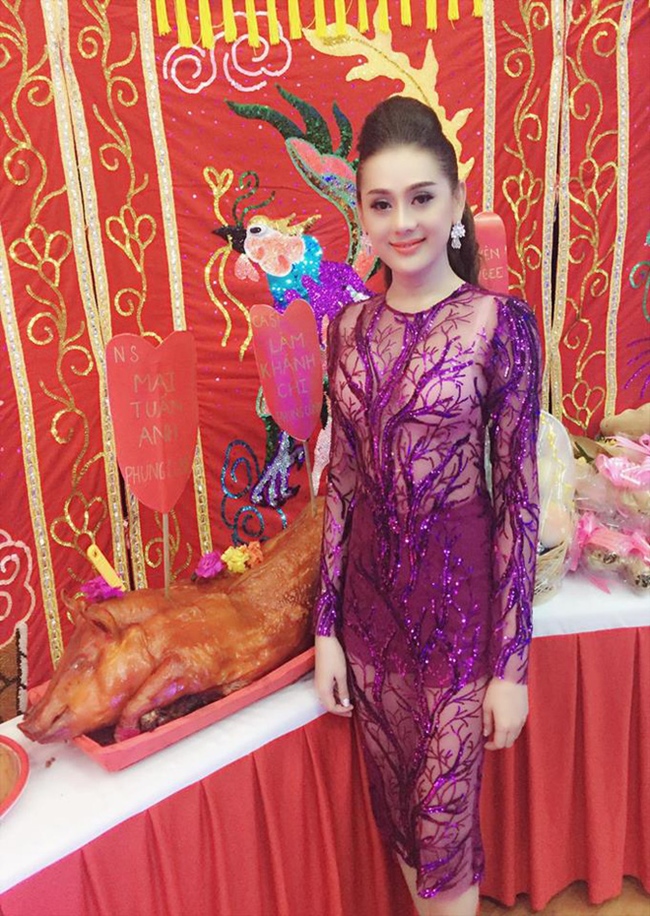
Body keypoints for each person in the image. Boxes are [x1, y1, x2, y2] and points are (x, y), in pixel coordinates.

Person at [314, 97, 541, 916]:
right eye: (381, 203)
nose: (402, 222)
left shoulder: (498, 324)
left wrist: (511, 668)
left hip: (457, 618)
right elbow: (342, 485)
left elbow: (519, 499)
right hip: (371, 620)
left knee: (444, 831)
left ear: (456, 201)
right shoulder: (344, 330)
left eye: (421, 198)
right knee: (405, 828)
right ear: (362, 214)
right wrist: (326, 630)